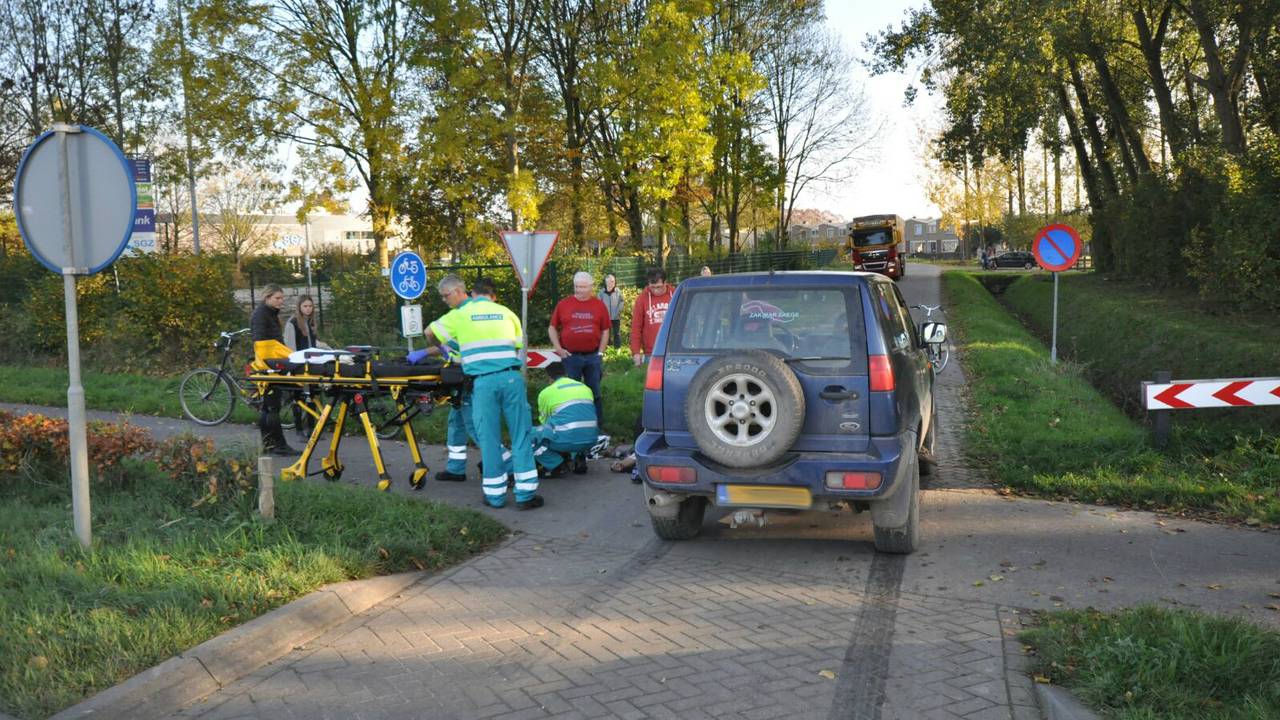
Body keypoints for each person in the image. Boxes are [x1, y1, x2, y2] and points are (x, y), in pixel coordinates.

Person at [424, 274, 540, 510]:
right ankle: (525, 496)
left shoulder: (461, 314)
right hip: (511, 378)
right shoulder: (507, 313)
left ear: (470, 294)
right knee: (520, 436)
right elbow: (518, 348)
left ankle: (495, 497)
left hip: (483, 382)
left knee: (489, 439)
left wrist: (445, 348)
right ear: (491, 296)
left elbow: (429, 331)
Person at [425, 277, 513, 484]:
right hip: (485, 375)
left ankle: (510, 467)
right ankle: (455, 468)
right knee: (456, 422)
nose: (444, 300)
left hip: (470, 377)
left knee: (475, 426)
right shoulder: (482, 311)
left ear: (458, 291)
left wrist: (430, 349)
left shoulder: (462, 314)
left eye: (446, 296)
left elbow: (431, 334)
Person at [549, 271, 609, 429]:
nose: (578, 290)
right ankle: (572, 425)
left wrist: (601, 353)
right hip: (571, 356)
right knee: (571, 394)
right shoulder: (564, 304)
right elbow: (552, 327)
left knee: (594, 393)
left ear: (590, 287)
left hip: (592, 356)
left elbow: (606, 330)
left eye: (582, 287)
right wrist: (559, 349)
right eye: (576, 286)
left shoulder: (599, 305)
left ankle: (597, 427)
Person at [532, 362, 598, 478]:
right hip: (591, 439)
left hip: (566, 440)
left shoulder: (546, 393)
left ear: (549, 378)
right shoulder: (585, 388)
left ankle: (557, 465)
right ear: (566, 374)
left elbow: (545, 421)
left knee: (529, 435)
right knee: (576, 422)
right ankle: (578, 456)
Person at [250, 284, 295, 455]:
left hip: (272, 363)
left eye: (282, 298)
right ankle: (278, 445)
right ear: (267, 297)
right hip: (269, 365)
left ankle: (269, 444)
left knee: (268, 407)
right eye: (277, 298)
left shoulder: (268, 313)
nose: (281, 302)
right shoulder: (261, 315)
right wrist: (276, 362)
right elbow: (262, 343)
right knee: (272, 406)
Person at [630, 268, 673, 367]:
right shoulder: (642, 299)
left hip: (673, 351)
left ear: (665, 282)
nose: (655, 290)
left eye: (659, 287)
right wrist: (636, 352)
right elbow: (636, 327)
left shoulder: (674, 294)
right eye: (652, 287)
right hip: (651, 353)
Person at [598, 274, 625, 349]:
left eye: (614, 281)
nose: (613, 283)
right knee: (606, 334)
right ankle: (607, 349)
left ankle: (618, 349)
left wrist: (619, 311)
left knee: (617, 333)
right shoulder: (601, 293)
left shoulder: (618, 291)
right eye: (611, 281)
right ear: (607, 282)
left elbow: (622, 301)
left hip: (616, 317)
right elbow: (598, 304)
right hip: (605, 318)